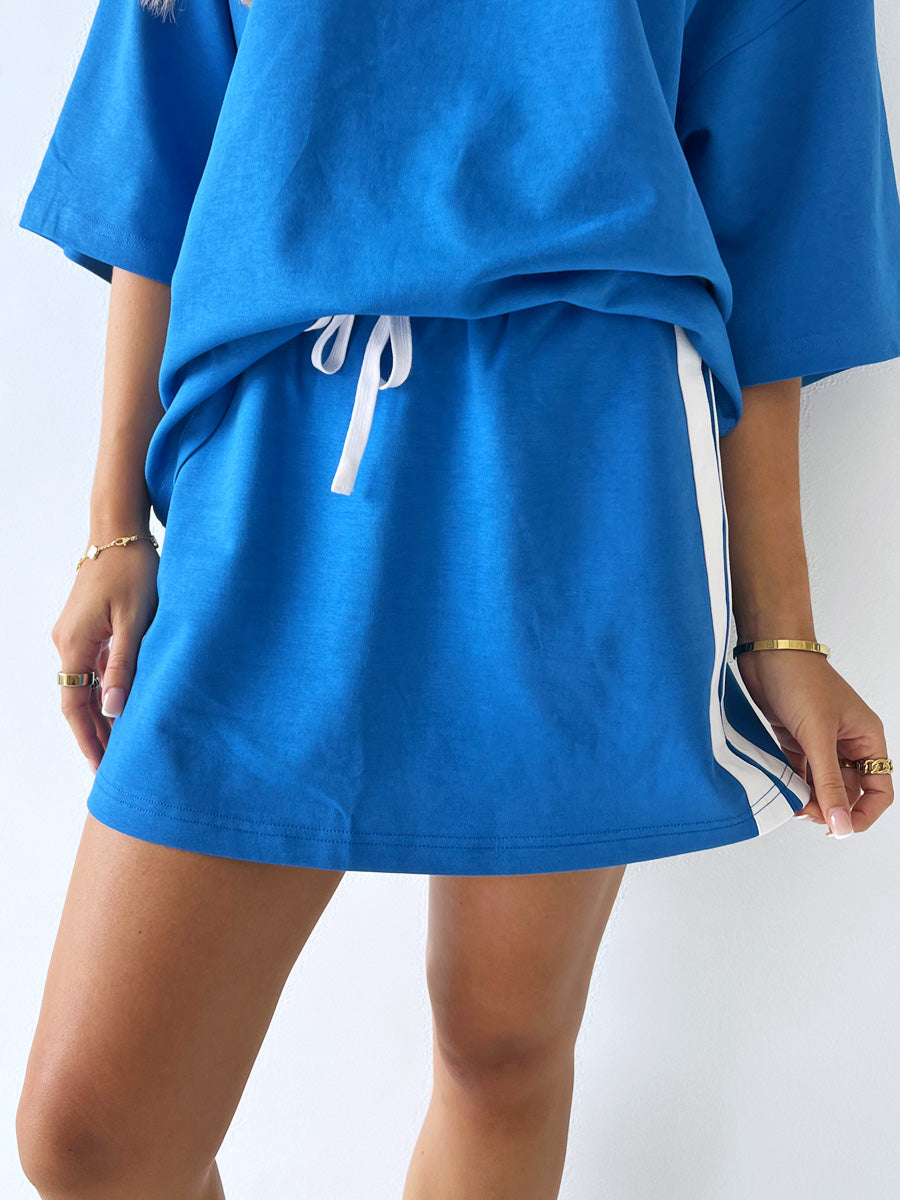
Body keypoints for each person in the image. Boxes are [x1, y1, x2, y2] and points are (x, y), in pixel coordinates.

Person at [13, 0, 897, 1195]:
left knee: (500, 1050)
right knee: (91, 1135)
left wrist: (780, 630)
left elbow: (778, 197)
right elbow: (163, 138)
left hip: (581, 457)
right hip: (283, 447)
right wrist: (114, 525)